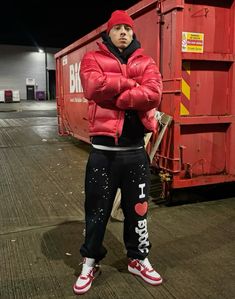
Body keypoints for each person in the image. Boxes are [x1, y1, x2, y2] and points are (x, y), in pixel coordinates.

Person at [73, 9, 163, 295]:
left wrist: (113, 93)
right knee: (97, 212)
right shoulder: (92, 58)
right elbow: (91, 86)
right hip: (103, 153)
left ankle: (138, 258)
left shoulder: (146, 61)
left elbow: (154, 93)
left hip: (136, 153)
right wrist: (129, 83)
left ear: (133, 33)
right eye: (117, 28)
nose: (123, 32)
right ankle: (89, 261)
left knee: (138, 210)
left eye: (128, 28)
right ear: (108, 33)